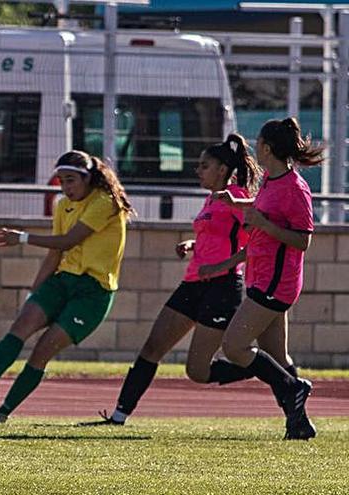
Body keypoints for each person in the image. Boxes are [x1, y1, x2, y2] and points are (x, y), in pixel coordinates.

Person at [85, 134, 302, 426]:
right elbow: (217, 236)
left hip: (222, 288)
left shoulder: (237, 197)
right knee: (152, 348)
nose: (198, 170)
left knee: (197, 371)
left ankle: (270, 372)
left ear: (222, 170)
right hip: (192, 284)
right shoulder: (212, 198)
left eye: (204, 166)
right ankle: (118, 416)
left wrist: (222, 265)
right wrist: (192, 244)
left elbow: (255, 243)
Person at [0, 150, 132, 423]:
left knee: (42, 350)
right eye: (62, 181)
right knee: (21, 326)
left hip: (93, 293)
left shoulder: (104, 202)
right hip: (62, 281)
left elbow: (67, 241)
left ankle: (1, 413)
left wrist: (23, 238)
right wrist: (34, 293)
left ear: (89, 178)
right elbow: (55, 255)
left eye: (71, 180)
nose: (66, 187)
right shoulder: (62, 204)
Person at [214, 118, 322, 440]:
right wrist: (241, 204)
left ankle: (293, 387)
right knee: (277, 357)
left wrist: (261, 222)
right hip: (262, 277)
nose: (255, 147)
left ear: (268, 148)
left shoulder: (295, 188)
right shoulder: (271, 181)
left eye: (258, 142)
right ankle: (299, 424)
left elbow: (303, 240)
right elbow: (266, 210)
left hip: (276, 283)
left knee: (233, 347)